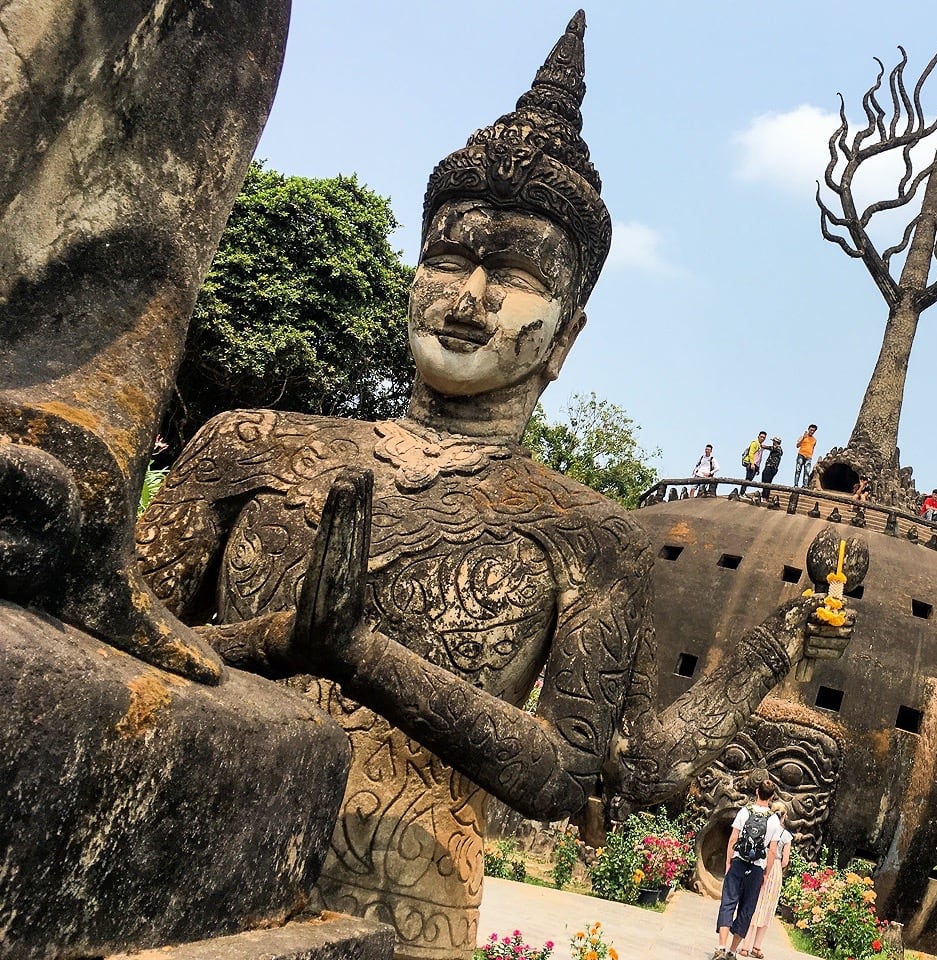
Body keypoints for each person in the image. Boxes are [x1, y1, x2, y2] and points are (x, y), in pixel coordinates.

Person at [135, 16, 855, 955]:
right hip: (173, 871)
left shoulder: (589, 534)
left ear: (566, 334)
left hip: (400, 908)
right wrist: (275, 640)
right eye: (448, 259)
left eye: (511, 275)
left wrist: (772, 647)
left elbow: (589, 772)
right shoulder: (249, 446)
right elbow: (117, 632)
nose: (469, 297)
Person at [715, 780, 783, 960]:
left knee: (728, 902)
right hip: (756, 868)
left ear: (756, 791)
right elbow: (773, 850)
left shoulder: (744, 812)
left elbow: (733, 839)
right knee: (747, 908)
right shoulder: (775, 820)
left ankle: (721, 947)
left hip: (739, 861)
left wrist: (729, 862)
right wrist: (766, 874)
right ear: (772, 796)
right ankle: (732, 950)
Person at [738, 801, 792, 959]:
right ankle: (757, 946)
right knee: (767, 908)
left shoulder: (765, 829)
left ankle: (744, 945)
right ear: (784, 817)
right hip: (774, 869)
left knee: (753, 903)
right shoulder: (786, 836)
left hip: (759, 864)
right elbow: (785, 861)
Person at [739, 431, 766, 495]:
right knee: (748, 479)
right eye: (761, 437)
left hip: (756, 465)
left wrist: (758, 468)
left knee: (749, 480)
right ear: (758, 436)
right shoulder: (755, 443)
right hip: (752, 464)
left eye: (764, 437)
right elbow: (751, 453)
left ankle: (742, 492)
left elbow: (759, 458)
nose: (762, 438)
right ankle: (741, 493)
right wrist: (752, 464)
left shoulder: (760, 446)